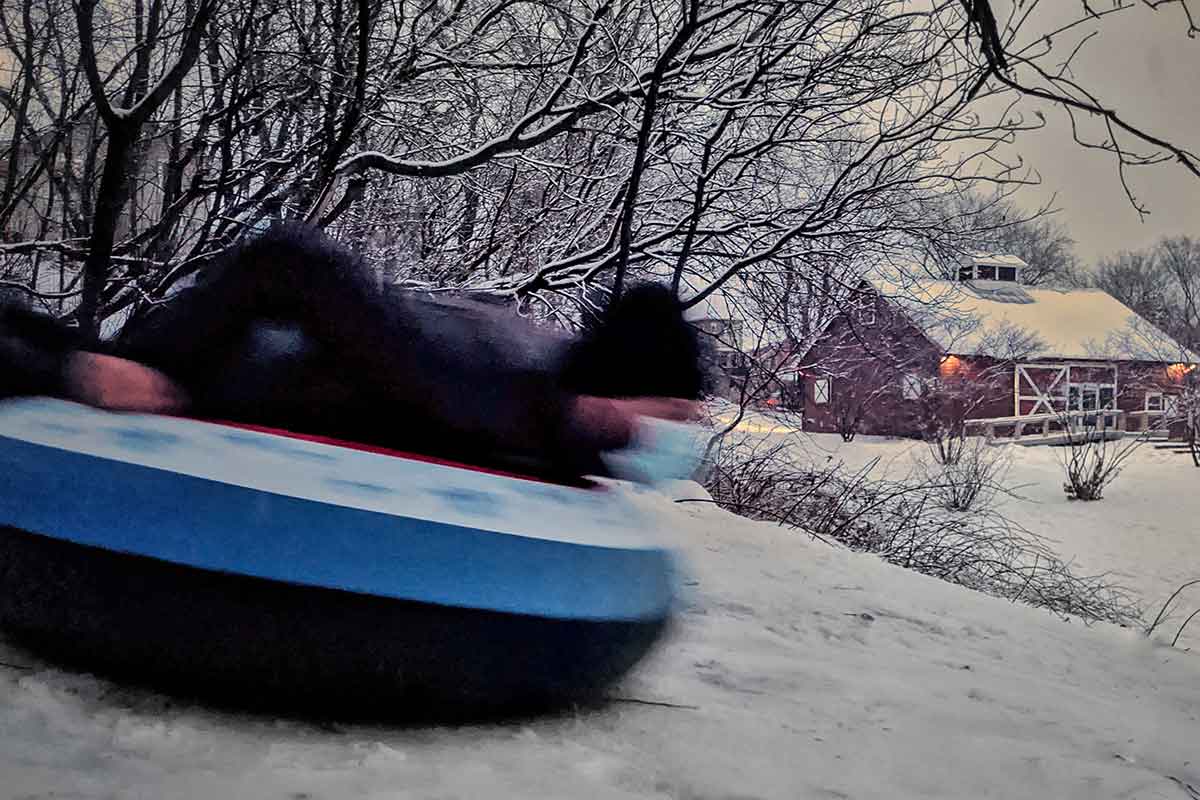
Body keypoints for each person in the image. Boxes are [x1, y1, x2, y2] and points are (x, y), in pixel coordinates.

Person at [0, 223, 703, 479]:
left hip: (253, 372)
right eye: (673, 411)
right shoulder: (483, 384)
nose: (682, 431)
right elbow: (290, 258)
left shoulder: (556, 416)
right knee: (50, 363)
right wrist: (122, 370)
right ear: (619, 391)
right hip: (220, 383)